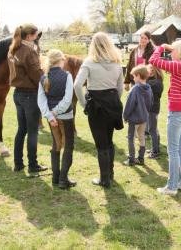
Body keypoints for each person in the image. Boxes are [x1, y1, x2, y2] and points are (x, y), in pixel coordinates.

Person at [74, 32, 124, 188]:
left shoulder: (89, 62)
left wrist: (83, 104)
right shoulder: (117, 62)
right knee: (108, 141)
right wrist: (113, 100)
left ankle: (105, 179)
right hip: (113, 103)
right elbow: (120, 88)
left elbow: (77, 85)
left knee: (101, 144)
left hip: (96, 105)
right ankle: (110, 173)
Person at [149, 39, 181, 195]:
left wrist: (161, 46)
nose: (171, 53)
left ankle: (172, 186)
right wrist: (172, 48)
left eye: (173, 51)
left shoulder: (177, 66)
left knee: (173, 151)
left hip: (177, 112)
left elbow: (153, 60)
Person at [8, 23, 48, 173]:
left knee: (22, 130)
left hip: (18, 93)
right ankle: (33, 165)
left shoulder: (15, 49)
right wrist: (46, 82)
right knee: (32, 131)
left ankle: (18, 163)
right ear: (30, 36)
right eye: (36, 35)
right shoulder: (28, 51)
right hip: (30, 95)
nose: (37, 37)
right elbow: (35, 73)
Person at [37, 49, 76, 189]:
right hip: (65, 116)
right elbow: (67, 99)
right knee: (68, 146)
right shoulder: (67, 75)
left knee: (56, 145)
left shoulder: (43, 77)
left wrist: (49, 115)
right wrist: (55, 112)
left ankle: (55, 177)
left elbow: (40, 101)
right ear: (61, 60)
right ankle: (63, 179)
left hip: (51, 119)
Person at [123, 65, 153, 166]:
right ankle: (141, 158)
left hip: (134, 119)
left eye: (134, 76)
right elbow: (150, 103)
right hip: (144, 118)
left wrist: (125, 116)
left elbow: (129, 104)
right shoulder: (149, 88)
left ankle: (131, 159)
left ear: (139, 76)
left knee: (131, 138)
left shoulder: (135, 89)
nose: (133, 78)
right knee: (141, 137)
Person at [146, 64, 164, 159]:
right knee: (154, 129)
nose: (149, 72)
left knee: (152, 129)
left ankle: (155, 151)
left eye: (152, 70)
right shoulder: (155, 81)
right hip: (153, 108)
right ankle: (156, 148)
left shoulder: (154, 83)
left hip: (152, 108)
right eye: (149, 70)